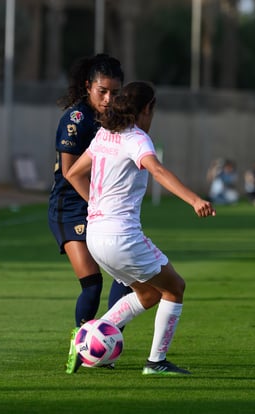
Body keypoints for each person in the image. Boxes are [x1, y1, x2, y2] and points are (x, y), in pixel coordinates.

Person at [66, 81, 216, 375]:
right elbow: (157, 170)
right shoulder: (137, 139)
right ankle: (156, 363)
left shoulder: (104, 135)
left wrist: (96, 205)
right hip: (122, 237)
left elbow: (72, 173)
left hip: (95, 235)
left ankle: (84, 341)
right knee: (175, 287)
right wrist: (195, 199)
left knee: (148, 294)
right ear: (147, 109)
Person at [47, 54, 132, 374]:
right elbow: (70, 172)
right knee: (93, 283)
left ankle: (103, 345)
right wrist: (98, 206)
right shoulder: (76, 119)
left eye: (115, 93)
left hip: (100, 207)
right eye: (102, 92)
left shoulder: (116, 120)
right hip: (70, 209)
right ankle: (81, 346)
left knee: (125, 278)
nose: (109, 99)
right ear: (88, 87)